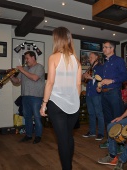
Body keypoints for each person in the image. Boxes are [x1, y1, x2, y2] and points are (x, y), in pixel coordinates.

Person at [40, 27, 82, 170]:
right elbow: (78, 84)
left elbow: (50, 82)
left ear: (57, 39)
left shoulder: (53, 57)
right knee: (68, 137)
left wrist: (44, 103)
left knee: (63, 139)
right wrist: (74, 101)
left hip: (56, 104)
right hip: (74, 105)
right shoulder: (76, 60)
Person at [97, 41, 127, 149]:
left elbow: (125, 76)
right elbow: (103, 79)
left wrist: (112, 80)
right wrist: (99, 85)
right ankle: (110, 141)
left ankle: (120, 144)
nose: (103, 49)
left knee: (117, 118)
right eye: (103, 47)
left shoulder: (118, 60)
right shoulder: (105, 63)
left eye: (106, 47)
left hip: (114, 92)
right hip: (104, 94)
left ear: (112, 49)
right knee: (108, 120)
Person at [10, 51, 45, 144]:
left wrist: (22, 70)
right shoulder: (25, 68)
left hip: (36, 97)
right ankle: (28, 135)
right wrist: (11, 77)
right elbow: (17, 81)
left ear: (33, 58)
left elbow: (35, 78)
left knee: (37, 117)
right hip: (25, 96)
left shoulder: (40, 67)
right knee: (27, 117)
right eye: (25, 58)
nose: (26, 60)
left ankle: (38, 136)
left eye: (27, 58)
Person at [82, 52, 105, 140]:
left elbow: (102, 80)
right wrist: (84, 76)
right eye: (89, 57)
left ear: (96, 57)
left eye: (91, 57)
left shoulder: (101, 67)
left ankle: (101, 133)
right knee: (91, 113)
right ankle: (92, 132)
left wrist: (90, 77)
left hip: (96, 94)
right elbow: (85, 79)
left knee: (99, 113)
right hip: (89, 93)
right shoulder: (89, 68)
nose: (89, 59)